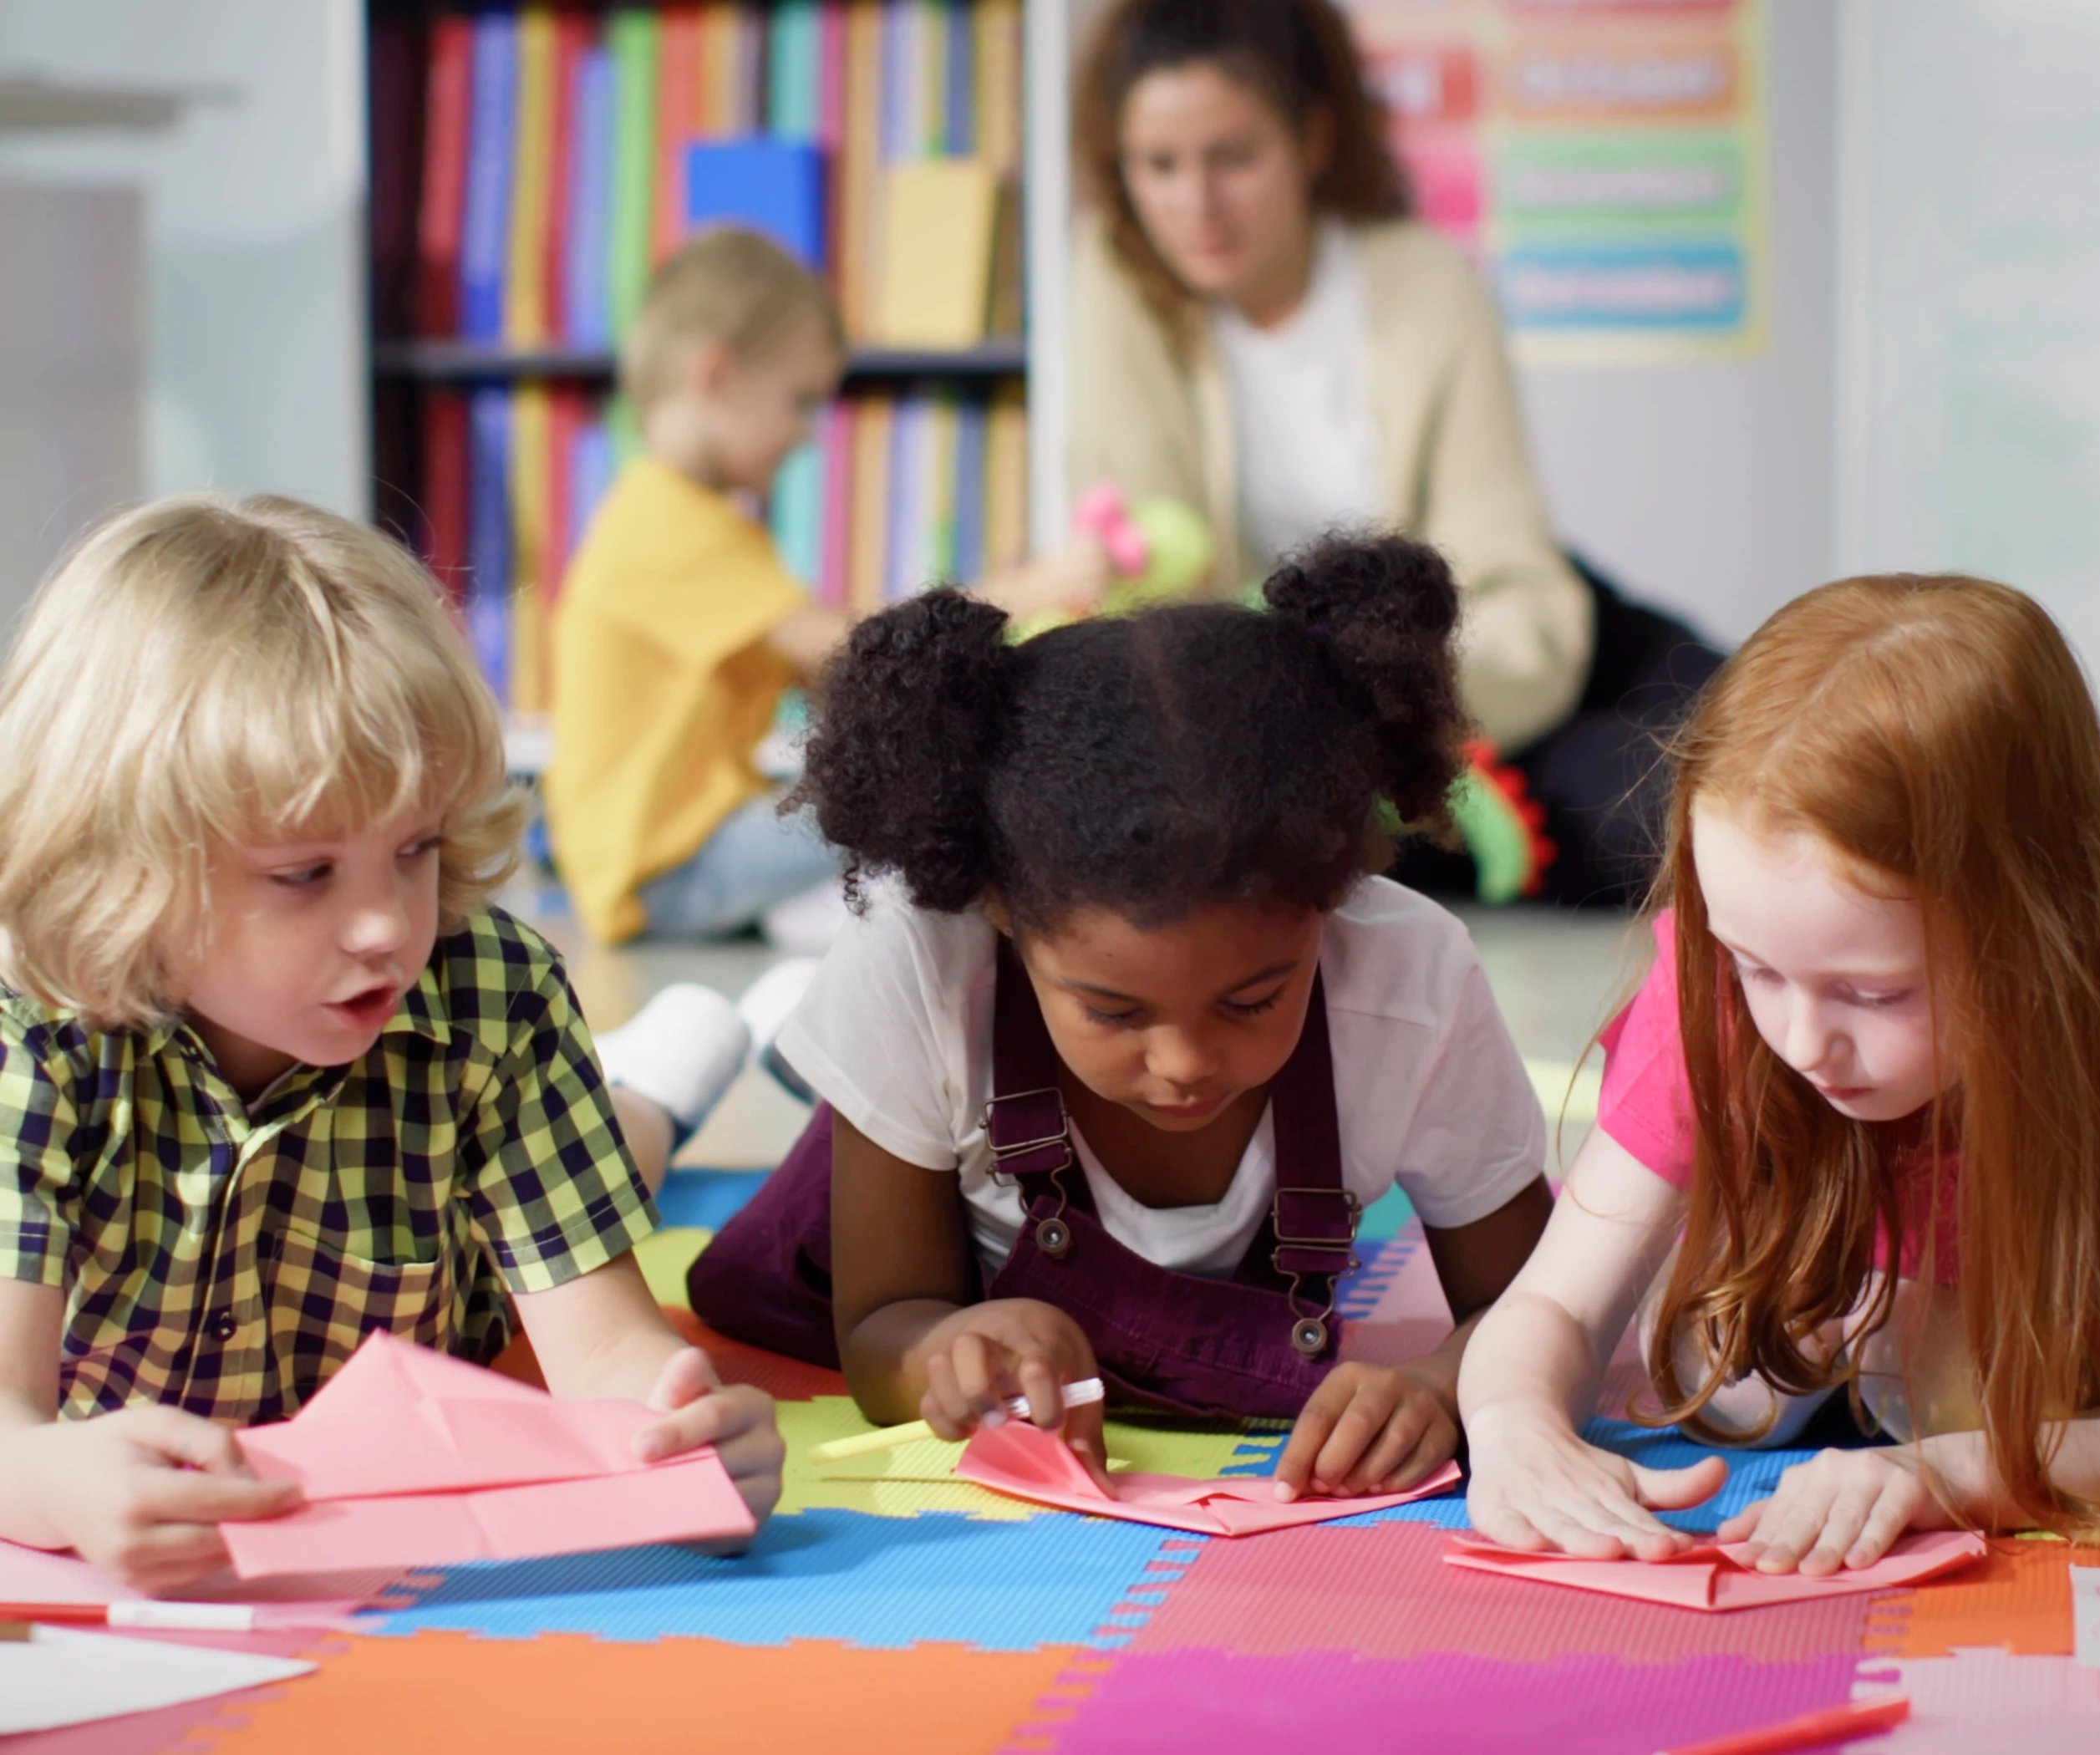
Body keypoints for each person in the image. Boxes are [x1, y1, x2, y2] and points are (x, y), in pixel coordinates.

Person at [1459, 574, 2100, 1574]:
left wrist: (1944, 1477)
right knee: (1726, 1368)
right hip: (1945, 1135)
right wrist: (1511, 1429)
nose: (1802, 1039)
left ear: (2030, 943)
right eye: (1756, 970)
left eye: (1872, 995)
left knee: (2008, 1398)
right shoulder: (1740, 956)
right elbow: (1556, 1307)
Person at [0, 495, 783, 1593]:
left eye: (414, 850)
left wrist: (684, 1431)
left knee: (613, 1155)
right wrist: (53, 1485)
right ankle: (649, 1078)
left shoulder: (489, 993)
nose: (386, 928)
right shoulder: (30, 1036)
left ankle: (654, 1080)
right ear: (126, 864)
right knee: (622, 1136)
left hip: (456, 1303)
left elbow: (604, 1351)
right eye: (305, 874)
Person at [688, 533, 1555, 1498]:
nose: (1184, 1062)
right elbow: (881, 1323)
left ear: (1334, 901)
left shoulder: (1411, 980)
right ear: (1002, 915)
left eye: (1255, 998)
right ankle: (676, 1068)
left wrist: (1444, 1384)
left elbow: (1543, 1304)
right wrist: (945, 1347)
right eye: (1111, 1009)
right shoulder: (917, 961)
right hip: (866, 1208)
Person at [1068, 0, 1723, 907]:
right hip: (1338, 729)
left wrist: (1390, 700)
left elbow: (1523, 600)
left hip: (1499, 648)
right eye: (1160, 166)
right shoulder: (1115, 284)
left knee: (1765, 748)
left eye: (1234, 157)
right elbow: (1154, 600)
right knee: (1670, 826)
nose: (1196, 204)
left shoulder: (1422, 282)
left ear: (1314, 135)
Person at [547, 226, 1105, 946]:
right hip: (668, 873)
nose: (808, 436)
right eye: (800, 400)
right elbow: (855, 650)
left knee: (894, 791)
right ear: (717, 377)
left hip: (689, 852)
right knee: (911, 801)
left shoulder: (682, 517)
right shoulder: (666, 525)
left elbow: (826, 684)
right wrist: (1027, 589)